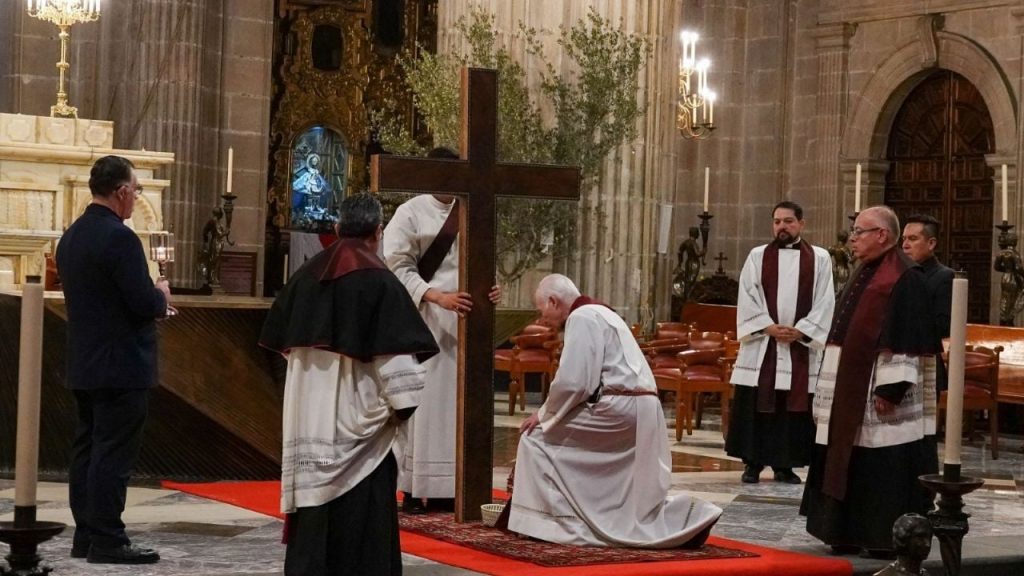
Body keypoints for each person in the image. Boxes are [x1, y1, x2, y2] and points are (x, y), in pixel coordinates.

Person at [259, 193, 439, 576]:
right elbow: (399, 372)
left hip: (309, 422)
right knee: (362, 535)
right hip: (360, 438)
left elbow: (284, 351)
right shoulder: (381, 282)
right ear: (378, 232)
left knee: (315, 526)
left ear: (339, 228)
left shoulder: (303, 279)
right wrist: (400, 409)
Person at [507, 274, 722, 548]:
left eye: (541, 310)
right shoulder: (603, 312)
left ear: (553, 301)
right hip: (643, 406)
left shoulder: (581, 317)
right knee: (605, 467)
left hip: (620, 407)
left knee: (535, 439)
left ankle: (554, 525)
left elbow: (575, 382)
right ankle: (604, 518)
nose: (542, 319)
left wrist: (543, 414)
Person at [800, 206, 939, 558]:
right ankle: (845, 530)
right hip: (850, 388)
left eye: (859, 231)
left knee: (881, 460)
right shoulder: (866, 270)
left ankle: (879, 535)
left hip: (878, 392)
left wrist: (891, 388)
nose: (853, 239)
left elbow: (907, 335)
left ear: (882, 235)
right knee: (850, 456)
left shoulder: (905, 277)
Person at [55, 155, 170, 564]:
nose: (135, 197)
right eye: (135, 190)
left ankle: (86, 536)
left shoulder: (71, 237)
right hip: (121, 364)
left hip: (85, 361)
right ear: (121, 191)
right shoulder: (120, 238)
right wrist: (161, 296)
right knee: (112, 454)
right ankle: (108, 539)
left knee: (87, 449)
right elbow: (141, 301)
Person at [382, 146, 500, 513]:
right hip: (426, 319)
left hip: (468, 322)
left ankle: (454, 485)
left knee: (460, 405)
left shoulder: (474, 210)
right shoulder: (410, 213)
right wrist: (436, 296)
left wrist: (492, 288)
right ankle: (414, 487)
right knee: (425, 402)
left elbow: (484, 260)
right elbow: (396, 266)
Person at [727, 201, 835, 485]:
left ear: (801, 223)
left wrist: (802, 331)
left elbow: (826, 300)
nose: (782, 227)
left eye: (788, 221)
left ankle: (785, 465)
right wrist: (767, 326)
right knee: (757, 406)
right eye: (777, 222)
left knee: (791, 410)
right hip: (763, 344)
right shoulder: (757, 256)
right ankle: (752, 463)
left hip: (800, 346)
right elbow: (747, 295)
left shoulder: (820, 258)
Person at [901, 213, 954, 391]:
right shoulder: (900, 273)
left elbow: (944, 325)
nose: (905, 245)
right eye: (904, 239)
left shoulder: (944, 276)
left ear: (931, 243)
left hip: (925, 359)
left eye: (912, 239)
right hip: (898, 359)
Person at [828, 229, 853, 296]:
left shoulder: (832, 248)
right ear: (846, 239)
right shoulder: (844, 249)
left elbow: (826, 258)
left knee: (835, 288)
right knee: (842, 289)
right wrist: (856, 255)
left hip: (835, 270)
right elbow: (850, 260)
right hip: (843, 271)